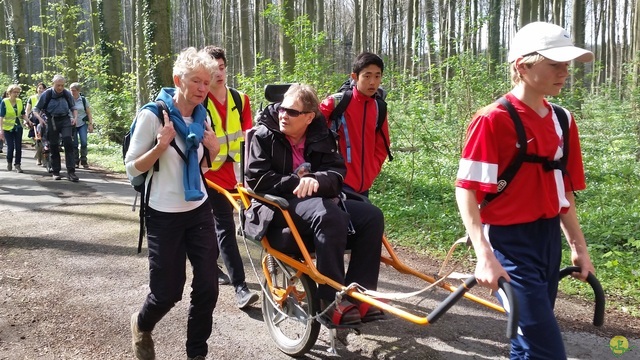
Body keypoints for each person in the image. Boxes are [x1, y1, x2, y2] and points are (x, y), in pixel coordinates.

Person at [454, 22, 596, 359]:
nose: (565, 72)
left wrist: (579, 247)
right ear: (523, 66)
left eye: (567, 64)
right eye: (555, 64)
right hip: (508, 245)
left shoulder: (563, 120)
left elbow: (565, 191)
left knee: (526, 343)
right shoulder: (492, 120)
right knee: (545, 349)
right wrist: (484, 255)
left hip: (548, 242)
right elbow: (468, 191)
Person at [245, 83, 385, 326]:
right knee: (330, 216)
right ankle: (329, 302)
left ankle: (359, 296)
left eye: (292, 112)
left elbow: (337, 173)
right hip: (278, 206)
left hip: (319, 201)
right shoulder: (263, 135)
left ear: (309, 117)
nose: (283, 115)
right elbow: (256, 180)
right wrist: (296, 181)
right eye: (282, 109)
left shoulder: (322, 135)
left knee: (372, 216)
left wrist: (317, 180)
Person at [125, 47, 221, 360]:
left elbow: (203, 167)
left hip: (198, 210)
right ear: (178, 80)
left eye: (207, 82)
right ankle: (141, 324)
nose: (202, 88)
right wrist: (160, 146)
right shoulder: (153, 115)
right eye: (196, 81)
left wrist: (214, 150)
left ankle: (196, 354)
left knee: (208, 286)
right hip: (162, 215)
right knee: (167, 292)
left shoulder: (203, 116)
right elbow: (132, 167)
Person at [201, 45, 259, 308]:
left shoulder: (241, 100)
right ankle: (241, 288)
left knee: (219, 226)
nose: (219, 74)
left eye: (222, 68)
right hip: (208, 175)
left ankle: (211, 265)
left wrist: (249, 176)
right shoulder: (199, 102)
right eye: (213, 70)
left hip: (237, 174)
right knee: (224, 226)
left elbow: (250, 141)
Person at [319, 52, 391, 197]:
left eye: (377, 76)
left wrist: (372, 169)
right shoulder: (335, 103)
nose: (372, 82)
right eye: (367, 76)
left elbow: (382, 145)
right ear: (354, 77)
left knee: (364, 218)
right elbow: (311, 133)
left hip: (364, 184)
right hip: (339, 180)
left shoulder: (379, 107)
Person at [32, 75, 79, 182]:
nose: (60, 88)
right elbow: (36, 109)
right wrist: (40, 119)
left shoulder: (67, 93)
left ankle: (71, 172)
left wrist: (75, 118)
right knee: (53, 145)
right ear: (53, 84)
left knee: (68, 141)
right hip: (51, 120)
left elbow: (73, 107)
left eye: (62, 85)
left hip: (65, 119)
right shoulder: (47, 94)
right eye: (58, 85)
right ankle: (56, 171)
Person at [0, 85, 28, 173]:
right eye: (14, 92)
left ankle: (17, 165)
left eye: (18, 92)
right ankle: (9, 162)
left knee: (18, 147)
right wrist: (1, 130)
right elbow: (1, 116)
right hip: (7, 128)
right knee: (10, 147)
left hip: (18, 127)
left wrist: (29, 121)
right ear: (9, 93)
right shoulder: (4, 102)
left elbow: (23, 114)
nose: (16, 94)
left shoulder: (19, 101)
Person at [69, 83, 94, 169]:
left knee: (84, 142)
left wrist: (90, 124)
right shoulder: (68, 99)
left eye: (74, 90)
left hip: (82, 123)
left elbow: (89, 113)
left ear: (78, 91)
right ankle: (76, 161)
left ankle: (84, 160)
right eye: (71, 90)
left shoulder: (83, 100)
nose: (72, 92)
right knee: (74, 143)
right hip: (72, 124)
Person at [26, 82, 46, 166]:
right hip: (34, 120)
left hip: (44, 120)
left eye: (42, 88)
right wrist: (26, 120)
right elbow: (27, 110)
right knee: (37, 140)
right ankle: (39, 158)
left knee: (44, 140)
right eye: (39, 88)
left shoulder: (47, 97)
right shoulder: (32, 98)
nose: (41, 90)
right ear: (37, 89)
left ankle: (44, 158)